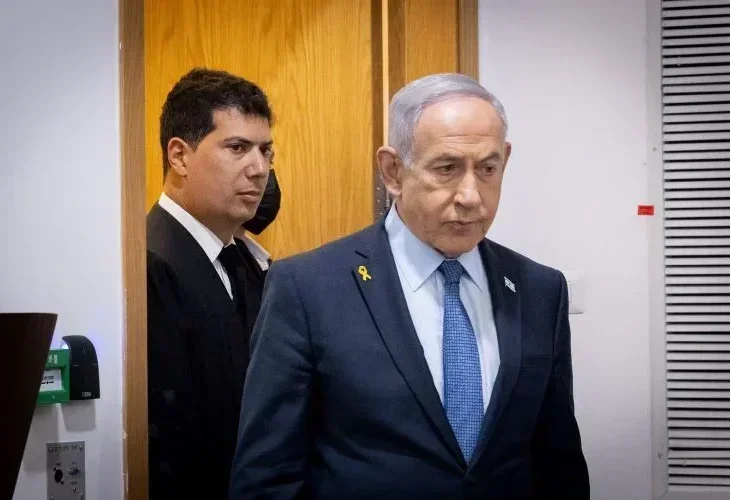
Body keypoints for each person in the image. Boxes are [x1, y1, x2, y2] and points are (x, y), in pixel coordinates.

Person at [230, 73, 589, 499]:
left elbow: (559, 464)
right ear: (393, 171)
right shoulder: (307, 289)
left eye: (488, 169)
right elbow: (267, 477)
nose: (471, 195)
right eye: (447, 169)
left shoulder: (540, 291)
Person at [146, 67, 274, 499]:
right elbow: (170, 440)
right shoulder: (150, 263)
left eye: (265, 151)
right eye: (237, 148)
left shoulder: (248, 263)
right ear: (179, 156)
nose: (259, 169)